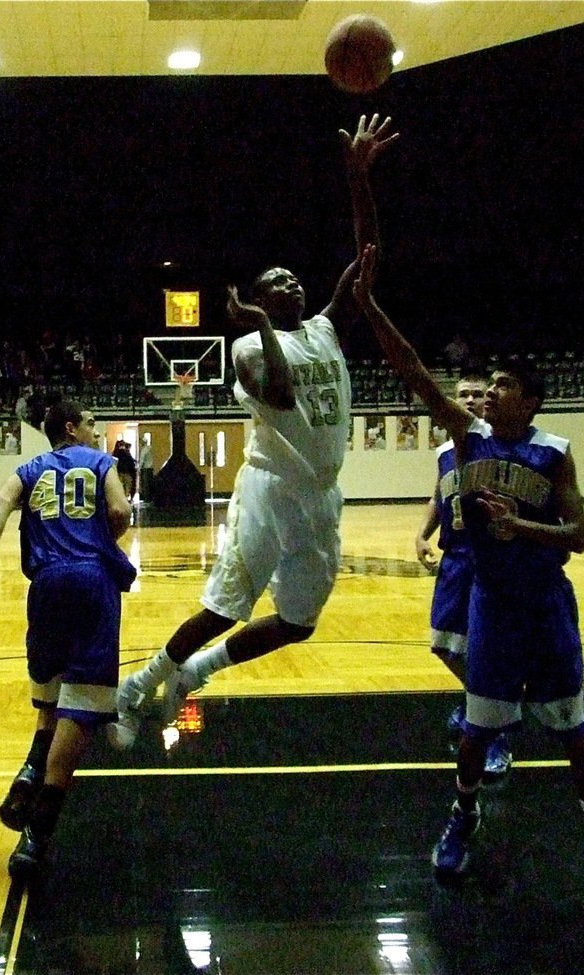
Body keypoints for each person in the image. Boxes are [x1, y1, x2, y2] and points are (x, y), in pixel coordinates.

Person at [352, 244, 584, 919]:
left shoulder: (555, 452)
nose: (489, 391)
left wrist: (519, 529)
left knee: (574, 732)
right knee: (476, 733)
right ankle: (462, 816)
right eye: (490, 385)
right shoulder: (467, 436)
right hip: (494, 607)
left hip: (545, 606)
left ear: (528, 400)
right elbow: (413, 371)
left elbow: (579, 537)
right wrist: (368, 305)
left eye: (503, 384)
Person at [113, 113, 397, 748]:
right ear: (260, 302)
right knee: (223, 607)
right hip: (268, 490)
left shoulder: (325, 328)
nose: (293, 284)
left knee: (298, 622)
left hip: (321, 494)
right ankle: (140, 684)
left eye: (296, 279)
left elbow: (367, 255)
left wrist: (359, 180)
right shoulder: (246, 348)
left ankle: (193, 674)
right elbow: (280, 390)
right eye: (278, 284)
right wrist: (261, 323)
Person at [0, 401, 134, 881]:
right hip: (92, 582)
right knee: (83, 711)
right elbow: (119, 509)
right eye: (92, 423)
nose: (97, 432)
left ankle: (30, 770)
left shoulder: (30, 468)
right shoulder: (100, 462)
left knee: (50, 695)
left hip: (46, 585)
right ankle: (34, 839)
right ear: (72, 428)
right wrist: (101, 540)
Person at [416, 372, 511, 776]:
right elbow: (441, 493)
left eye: (477, 394)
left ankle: (496, 731)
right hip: (454, 555)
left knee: (484, 647)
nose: (469, 400)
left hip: (489, 556)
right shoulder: (443, 450)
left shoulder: (501, 443)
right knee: (444, 644)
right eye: (463, 394)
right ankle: (481, 701)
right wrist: (423, 533)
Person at [137, 434, 154, 503]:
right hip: (150, 468)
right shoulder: (149, 449)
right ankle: (149, 497)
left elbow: (142, 460)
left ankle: (146, 498)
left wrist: (139, 469)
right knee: (149, 484)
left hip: (145, 469)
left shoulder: (144, 450)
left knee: (145, 485)